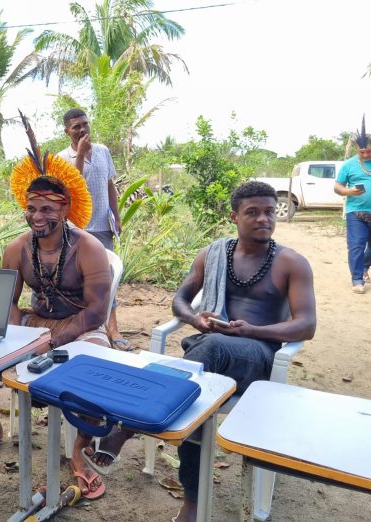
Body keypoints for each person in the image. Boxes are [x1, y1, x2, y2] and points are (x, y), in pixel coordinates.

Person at [84, 181, 317, 522]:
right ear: (234, 216)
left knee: (207, 355)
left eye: (269, 212)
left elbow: (306, 325)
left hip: (258, 356)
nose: (263, 219)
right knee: (195, 397)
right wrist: (196, 318)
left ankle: (125, 429)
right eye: (252, 212)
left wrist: (253, 330)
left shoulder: (292, 264)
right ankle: (192, 499)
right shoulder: (213, 255)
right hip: (207, 351)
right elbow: (179, 300)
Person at [0, 116, 112, 500]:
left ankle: (80, 453)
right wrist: (20, 338)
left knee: (93, 373)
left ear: (65, 209)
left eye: (48, 209)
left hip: (83, 328)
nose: (38, 216)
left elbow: (97, 313)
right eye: (32, 208)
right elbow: (8, 303)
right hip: (35, 325)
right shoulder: (17, 248)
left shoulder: (89, 247)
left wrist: (53, 338)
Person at [57, 108, 127, 350]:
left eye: (84, 124)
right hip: (75, 229)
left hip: (101, 226)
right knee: (79, 279)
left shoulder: (103, 151)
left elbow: (109, 185)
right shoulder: (61, 158)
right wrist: (79, 156)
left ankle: (112, 328)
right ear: (67, 131)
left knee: (107, 279)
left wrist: (116, 216)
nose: (82, 130)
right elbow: (71, 190)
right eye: (76, 127)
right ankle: (84, 326)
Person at [334, 116, 371, 294]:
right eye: (361, 151)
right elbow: (337, 186)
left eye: (368, 151)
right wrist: (348, 192)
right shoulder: (349, 165)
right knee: (356, 245)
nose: (365, 155)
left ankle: (364, 268)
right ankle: (357, 279)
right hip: (356, 212)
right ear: (357, 149)